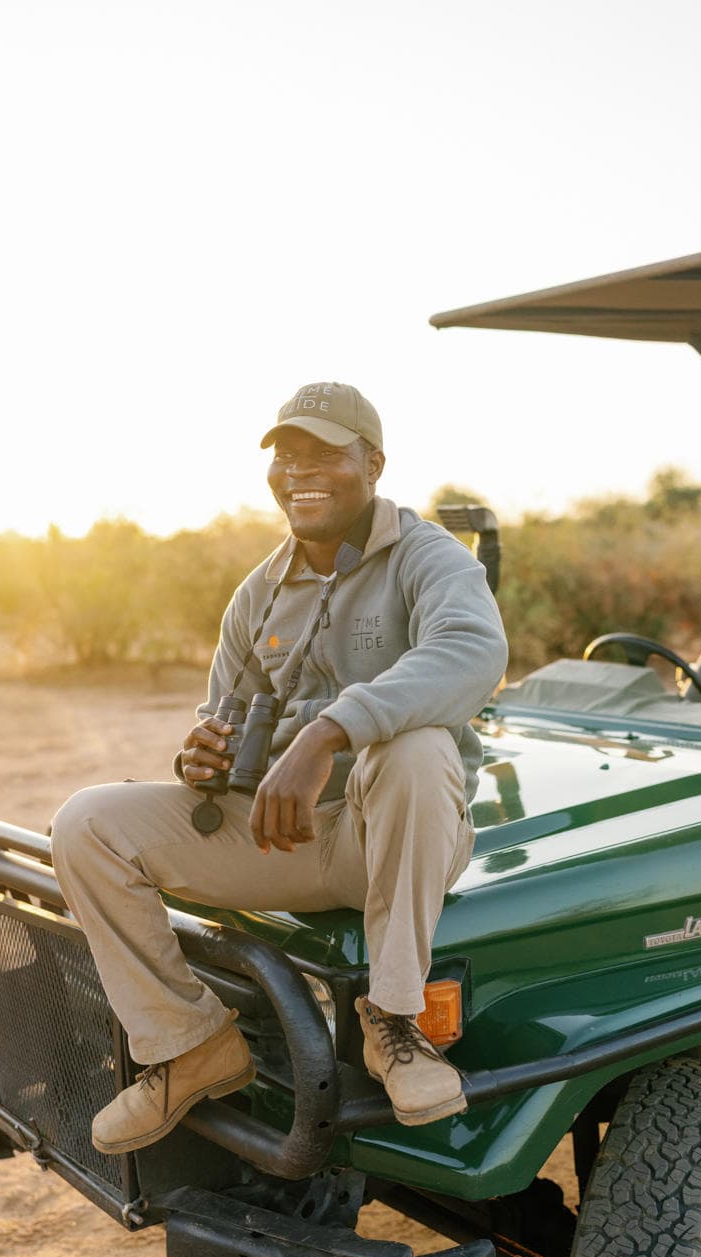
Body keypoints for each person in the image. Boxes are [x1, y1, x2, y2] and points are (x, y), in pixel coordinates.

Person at [51, 381, 508, 1155]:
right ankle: (190, 1044)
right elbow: (223, 716)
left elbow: (474, 652)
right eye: (287, 456)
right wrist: (201, 758)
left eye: (324, 453)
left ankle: (396, 1026)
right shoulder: (258, 593)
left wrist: (327, 732)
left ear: (373, 462)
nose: (301, 470)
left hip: (389, 838)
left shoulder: (428, 558)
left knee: (416, 746)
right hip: (286, 837)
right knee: (86, 823)